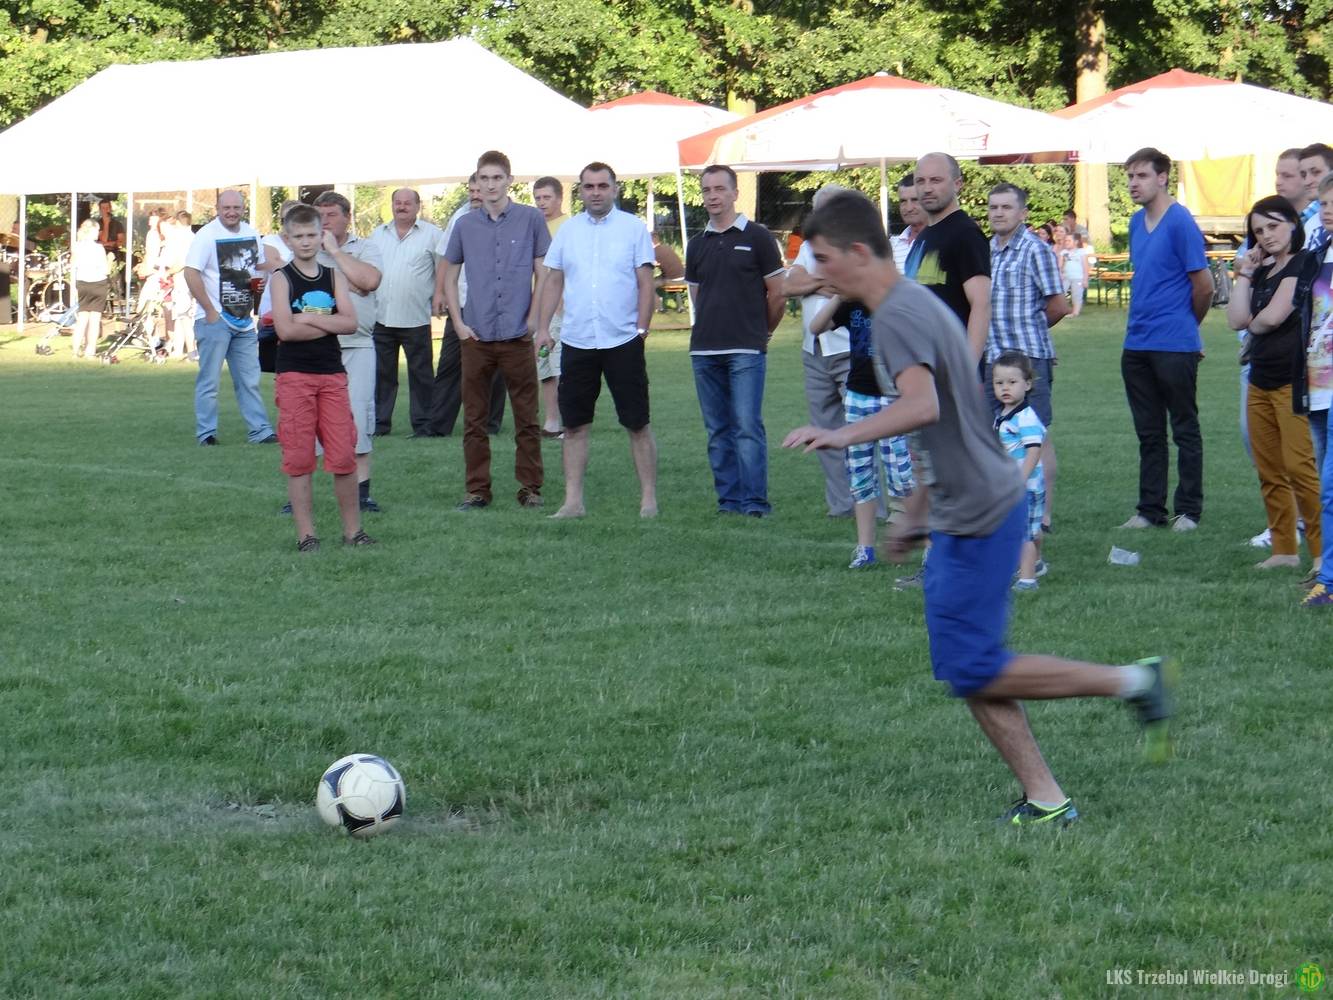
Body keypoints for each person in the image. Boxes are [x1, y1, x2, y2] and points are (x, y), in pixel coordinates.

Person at [783, 189, 1174, 827]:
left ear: (857, 252)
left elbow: (925, 407)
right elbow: (952, 420)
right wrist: (917, 508)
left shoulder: (898, 316)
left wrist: (840, 433)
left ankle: (1132, 684)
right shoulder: (913, 304)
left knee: (976, 666)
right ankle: (1047, 797)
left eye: (824, 259)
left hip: (979, 511)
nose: (819, 272)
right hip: (964, 505)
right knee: (968, 667)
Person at [536, 162, 658, 519]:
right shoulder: (569, 231)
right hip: (578, 340)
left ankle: (648, 500)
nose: (596, 192)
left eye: (603, 186)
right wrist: (542, 328)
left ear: (615, 189)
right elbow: (553, 281)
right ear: (581, 191)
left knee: (637, 422)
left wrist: (641, 329)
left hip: (623, 340)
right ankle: (573, 502)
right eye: (589, 186)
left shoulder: (633, 228)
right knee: (574, 426)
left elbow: (645, 283)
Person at [442, 149, 550, 511]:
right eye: (484, 178)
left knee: (526, 417)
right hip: (476, 335)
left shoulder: (531, 219)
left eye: (497, 178)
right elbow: (449, 274)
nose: (490, 185)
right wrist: (458, 323)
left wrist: (534, 319)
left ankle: (530, 488)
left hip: (517, 334)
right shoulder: (464, 225)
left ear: (509, 181)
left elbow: (544, 272)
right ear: (476, 182)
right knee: (474, 419)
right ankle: (477, 491)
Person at [268, 205, 374, 552]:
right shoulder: (281, 278)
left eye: (311, 235)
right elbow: (285, 330)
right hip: (295, 375)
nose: (305, 241)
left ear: (321, 236)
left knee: (343, 454)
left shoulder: (334, 277)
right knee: (299, 458)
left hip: (331, 375)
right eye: (298, 236)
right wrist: (328, 323)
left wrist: (307, 319)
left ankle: (353, 531)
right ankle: (306, 535)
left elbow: (350, 323)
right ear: (287, 239)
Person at [1226, 196, 1321, 572]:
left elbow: (1273, 316)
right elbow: (1237, 319)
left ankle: (1321, 554)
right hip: (1259, 380)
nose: (1266, 235)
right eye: (1259, 231)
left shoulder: (1305, 262)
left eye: (1273, 226)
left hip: (1292, 381)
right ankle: (1284, 550)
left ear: (1293, 223)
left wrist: (1255, 320)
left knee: (1300, 469)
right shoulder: (1261, 270)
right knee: (1269, 469)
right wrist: (1246, 274)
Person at [1118, 147, 1212, 530]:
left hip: (1174, 343)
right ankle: (1149, 510)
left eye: (1141, 176)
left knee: (1184, 428)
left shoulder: (1180, 221)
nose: (1133, 183)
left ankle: (1188, 511)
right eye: (1129, 176)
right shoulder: (1135, 222)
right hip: (1136, 343)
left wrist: (1189, 326)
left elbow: (1204, 286)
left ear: (1162, 178)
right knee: (1149, 432)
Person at [685, 164, 786, 517]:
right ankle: (728, 502)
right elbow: (698, 296)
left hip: (746, 349)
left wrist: (764, 332)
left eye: (719, 189)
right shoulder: (696, 244)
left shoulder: (758, 237)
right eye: (707, 190)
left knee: (746, 427)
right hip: (704, 350)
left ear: (734, 193)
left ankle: (755, 503)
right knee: (717, 430)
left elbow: (778, 294)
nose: (712, 196)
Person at [808, 291, 914, 567]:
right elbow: (816, 327)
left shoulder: (897, 300)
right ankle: (865, 549)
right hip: (858, 396)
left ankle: (926, 547)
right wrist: (837, 297)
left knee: (902, 476)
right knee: (860, 475)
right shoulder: (851, 303)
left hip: (893, 397)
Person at [985, 182, 1068, 534]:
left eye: (1006, 207)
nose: (999, 213)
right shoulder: (986, 251)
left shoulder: (1035, 249)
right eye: (993, 207)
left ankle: (1043, 514)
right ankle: (1006, 505)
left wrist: (1031, 332)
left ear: (1023, 213)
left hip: (1029, 359)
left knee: (1036, 434)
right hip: (994, 359)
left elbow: (1058, 305)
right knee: (1000, 433)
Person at [182, 190, 276, 445]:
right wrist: (210, 310)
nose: (232, 212)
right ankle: (206, 433)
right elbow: (190, 272)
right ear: (217, 208)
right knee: (209, 381)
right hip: (215, 319)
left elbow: (257, 268)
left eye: (236, 207)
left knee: (249, 380)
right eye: (227, 208)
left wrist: (259, 284)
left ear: (244, 208)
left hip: (243, 321)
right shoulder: (206, 235)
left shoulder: (251, 233)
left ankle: (260, 431)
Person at [783, 183, 854, 519]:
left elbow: (849, 287)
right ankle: (841, 506)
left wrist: (809, 284)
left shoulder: (857, 244)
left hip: (848, 347)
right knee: (824, 429)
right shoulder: (810, 246)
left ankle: (874, 505)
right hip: (813, 349)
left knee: (861, 430)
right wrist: (820, 283)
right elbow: (788, 286)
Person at [314, 191, 385, 512]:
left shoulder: (366, 248)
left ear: (347, 217)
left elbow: (369, 280)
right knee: (310, 420)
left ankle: (362, 493)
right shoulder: (306, 248)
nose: (324, 222)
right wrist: (350, 283)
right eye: (320, 215)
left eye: (331, 215)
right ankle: (303, 492)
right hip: (317, 345)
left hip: (358, 345)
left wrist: (334, 252)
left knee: (358, 414)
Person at [429, 175, 505, 438]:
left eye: (478, 190)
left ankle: (490, 424)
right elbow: (446, 258)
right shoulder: (460, 218)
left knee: (494, 366)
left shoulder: (509, 217)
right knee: (449, 365)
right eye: (471, 190)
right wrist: (439, 292)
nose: (475, 195)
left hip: (495, 305)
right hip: (460, 302)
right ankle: (438, 426)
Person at [904, 152, 991, 361]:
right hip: (922, 363)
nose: (927, 188)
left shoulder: (966, 234)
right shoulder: (925, 235)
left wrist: (967, 368)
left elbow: (981, 304)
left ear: (957, 184)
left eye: (936, 180)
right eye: (920, 181)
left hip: (952, 365)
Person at [368, 188, 441, 437]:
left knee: (421, 376)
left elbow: (443, 270)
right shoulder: (378, 234)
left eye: (407, 203)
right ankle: (379, 424)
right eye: (397, 202)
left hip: (415, 317)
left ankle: (423, 425)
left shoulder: (433, 235)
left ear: (418, 206)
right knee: (382, 375)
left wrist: (440, 296)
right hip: (382, 317)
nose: (402, 207)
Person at [1302, 173, 1333, 606]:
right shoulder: (1320, 251)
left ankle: (1328, 579)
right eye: (1324, 203)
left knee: (1329, 486)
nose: (1326, 211)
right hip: (1317, 383)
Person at [991, 352, 1047, 591]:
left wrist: (1020, 480)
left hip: (1026, 485)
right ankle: (1036, 563)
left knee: (1022, 533)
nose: (1005, 388)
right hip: (1015, 483)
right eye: (999, 383)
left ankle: (1027, 579)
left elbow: (1034, 451)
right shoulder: (1004, 414)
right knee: (1031, 528)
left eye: (1012, 382)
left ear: (1028, 384)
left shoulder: (1026, 418)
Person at [533, 176, 568, 439]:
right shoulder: (534, 226)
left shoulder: (569, 227)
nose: (542, 202)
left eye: (547, 197)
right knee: (543, 364)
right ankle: (551, 421)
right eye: (538, 198)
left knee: (560, 365)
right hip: (537, 308)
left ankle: (567, 421)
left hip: (561, 307)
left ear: (559, 198)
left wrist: (561, 302)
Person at [71, 219, 110, 360]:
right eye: (97, 230)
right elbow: (105, 269)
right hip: (98, 283)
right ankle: (90, 351)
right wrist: (110, 261)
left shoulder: (77, 247)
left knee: (82, 318)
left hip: (82, 283)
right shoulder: (99, 248)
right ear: (92, 231)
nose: (98, 233)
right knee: (94, 319)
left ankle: (76, 350)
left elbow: (73, 266)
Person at [164, 210, 196, 360]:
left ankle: (191, 352)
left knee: (184, 317)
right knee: (184, 316)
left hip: (183, 280)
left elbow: (182, 262)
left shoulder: (181, 238)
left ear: (178, 222)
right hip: (195, 280)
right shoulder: (194, 237)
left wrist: (168, 272)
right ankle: (178, 350)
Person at [889, 173, 927, 272]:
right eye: (903, 201)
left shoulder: (944, 242)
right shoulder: (892, 245)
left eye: (915, 200)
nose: (909, 208)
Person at [1061, 233, 1091, 316]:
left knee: (1076, 295)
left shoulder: (1081, 252)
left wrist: (1085, 279)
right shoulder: (1064, 252)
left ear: (1076, 242)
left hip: (1078, 278)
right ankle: (1062, 310)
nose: (1066, 242)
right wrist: (1060, 273)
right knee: (1061, 294)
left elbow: (1085, 267)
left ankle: (1075, 312)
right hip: (1066, 277)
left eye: (1069, 241)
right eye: (1065, 240)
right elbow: (1060, 265)